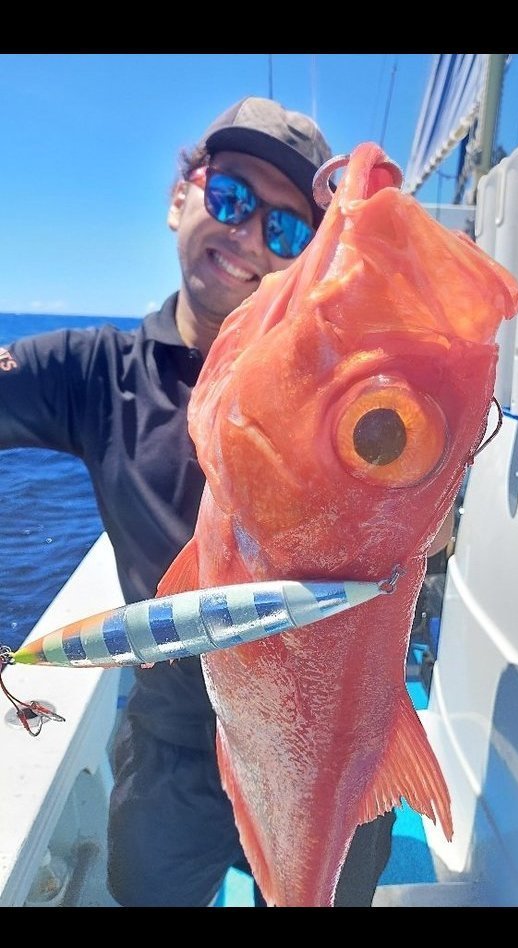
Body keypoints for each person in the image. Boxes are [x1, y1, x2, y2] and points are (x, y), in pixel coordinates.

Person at [0, 96, 397, 907]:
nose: (250, 237)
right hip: (172, 744)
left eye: (286, 230)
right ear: (182, 195)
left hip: (321, 740)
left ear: (310, 256)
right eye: (231, 198)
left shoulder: (345, 392)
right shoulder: (92, 371)